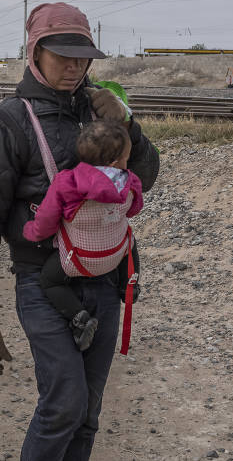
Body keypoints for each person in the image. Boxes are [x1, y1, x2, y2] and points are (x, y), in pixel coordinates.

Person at [0, 2, 159, 460]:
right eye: (61, 55)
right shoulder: (8, 122)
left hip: (106, 281)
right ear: (34, 52)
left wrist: (127, 124)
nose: (74, 67)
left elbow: (143, 178)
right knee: (64, 405)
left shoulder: (102, 110)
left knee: (87, 410)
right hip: (42, 283)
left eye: (82, 56)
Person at [22, 120, 144, 352]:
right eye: (127, 158)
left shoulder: (67, 182)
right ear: (117, 161)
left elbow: (46, 222)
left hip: (77, 260)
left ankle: (80, 317)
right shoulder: (130, 181)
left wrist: (30, 232)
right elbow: (134, 210)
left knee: (49, 280)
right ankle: (129, 284)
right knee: (130, 238)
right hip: (116, 255)